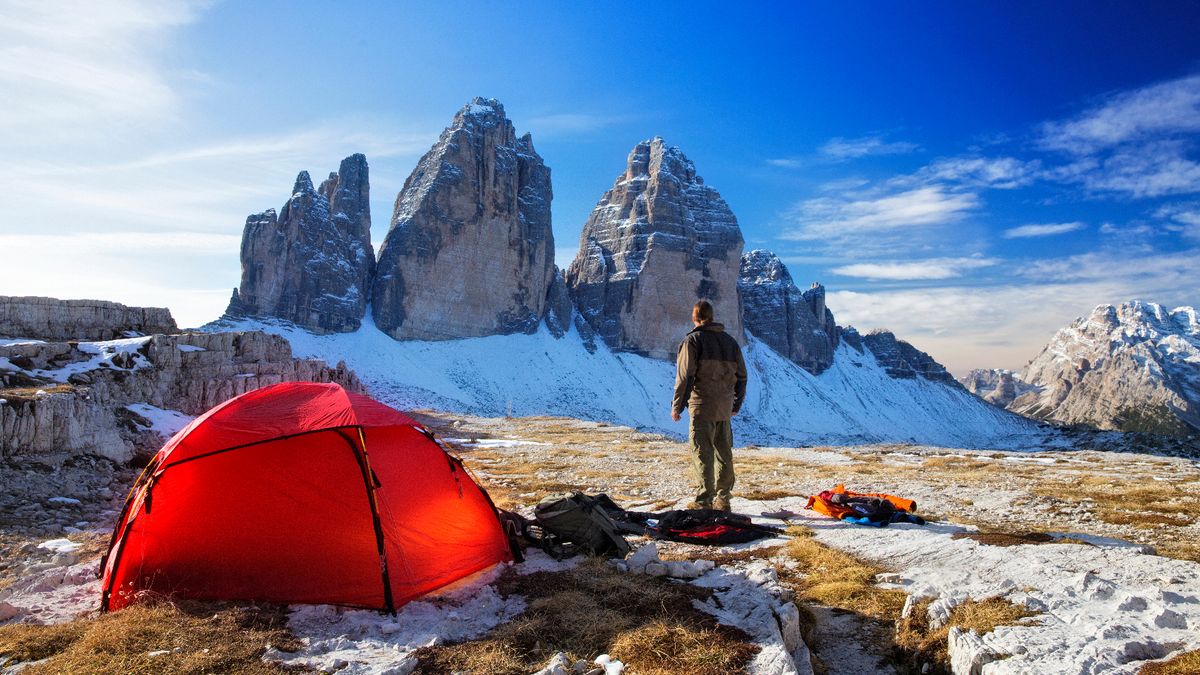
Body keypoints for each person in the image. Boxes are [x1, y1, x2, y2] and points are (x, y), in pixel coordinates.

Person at [671, 299, 747, 512]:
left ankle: (704, 500)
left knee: (702, 452)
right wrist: (736, 404)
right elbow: (742, 377)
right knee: (724, 453)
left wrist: (677, 406)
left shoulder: (692, 341)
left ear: (694, 318)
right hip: (724, 408)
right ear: (712, 317)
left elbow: (685, 376)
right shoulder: (731, 342)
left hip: (702, 406)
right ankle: (724, 500)